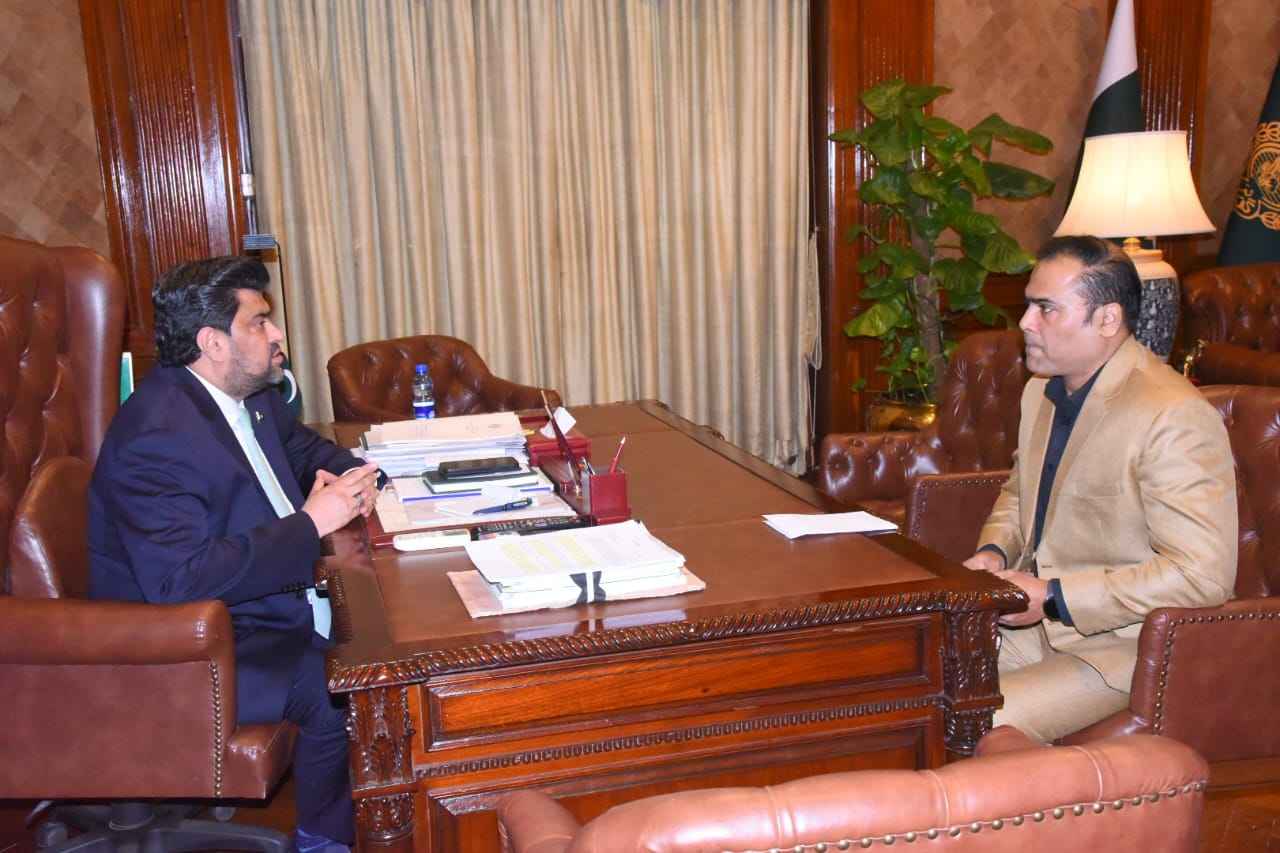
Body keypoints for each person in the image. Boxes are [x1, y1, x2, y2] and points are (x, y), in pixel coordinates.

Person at [89, 256, 380, 852]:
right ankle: (324, 840)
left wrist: (364, 477)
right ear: (212, 342)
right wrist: (311, 523)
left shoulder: (250, 396)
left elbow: (304, 450)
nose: (277, 334)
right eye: (259, 322)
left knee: (381, 635)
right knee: (343, 686)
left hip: (252, 610)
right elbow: (181, 579)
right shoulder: (156, 436)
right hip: (190, 648)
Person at [963, 235, 1237, 743]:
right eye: (1028, 305)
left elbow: (1202, 575)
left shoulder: (1172, 414)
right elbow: (1020, 493)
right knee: (908, 694)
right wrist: (994, 552)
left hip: (1123, 647)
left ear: (1108, 319)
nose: (1025, 323)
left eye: (1046, 309)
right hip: (1033, 630)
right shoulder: (1039, 392)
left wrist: (1054, 596)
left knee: (966, 723)